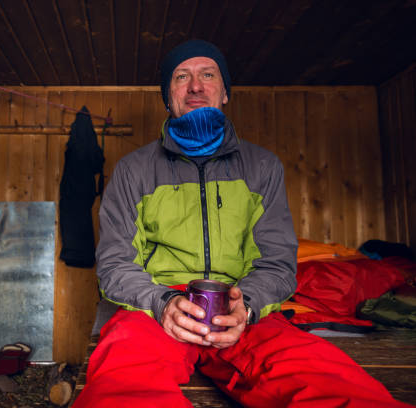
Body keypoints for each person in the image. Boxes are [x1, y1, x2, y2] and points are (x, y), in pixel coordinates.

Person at [73, 40, 412, 408]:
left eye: (208, 75)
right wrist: (162, 302)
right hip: (157, 310)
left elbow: (277, 263)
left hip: (242, 309)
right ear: (167, 98)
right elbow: (113, 263)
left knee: (329, 381)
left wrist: (246, 307)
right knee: (122, 388)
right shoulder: (133, 170)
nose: (196, 86)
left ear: (225, 93)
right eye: (181, 77)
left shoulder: (262, 167)